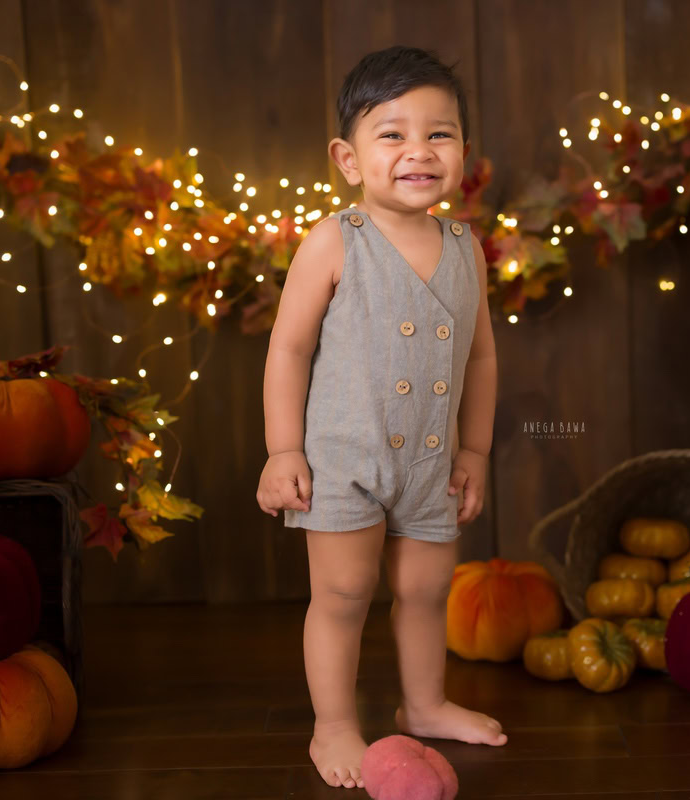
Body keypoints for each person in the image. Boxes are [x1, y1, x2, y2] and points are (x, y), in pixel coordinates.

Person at [256, 45, 503, 790]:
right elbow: (289, 349)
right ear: (349, 158)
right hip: (343, 460)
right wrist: (281, 450)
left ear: (463, 151)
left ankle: (423, 704)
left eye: (440, 133)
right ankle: (332, 722)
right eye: (392, 134)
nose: (419, 151)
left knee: (427, 591)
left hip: (432, 463)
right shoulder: (335, 240)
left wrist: (477, 452)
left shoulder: (467, 249)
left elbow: (483, 360)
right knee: (342, 595)